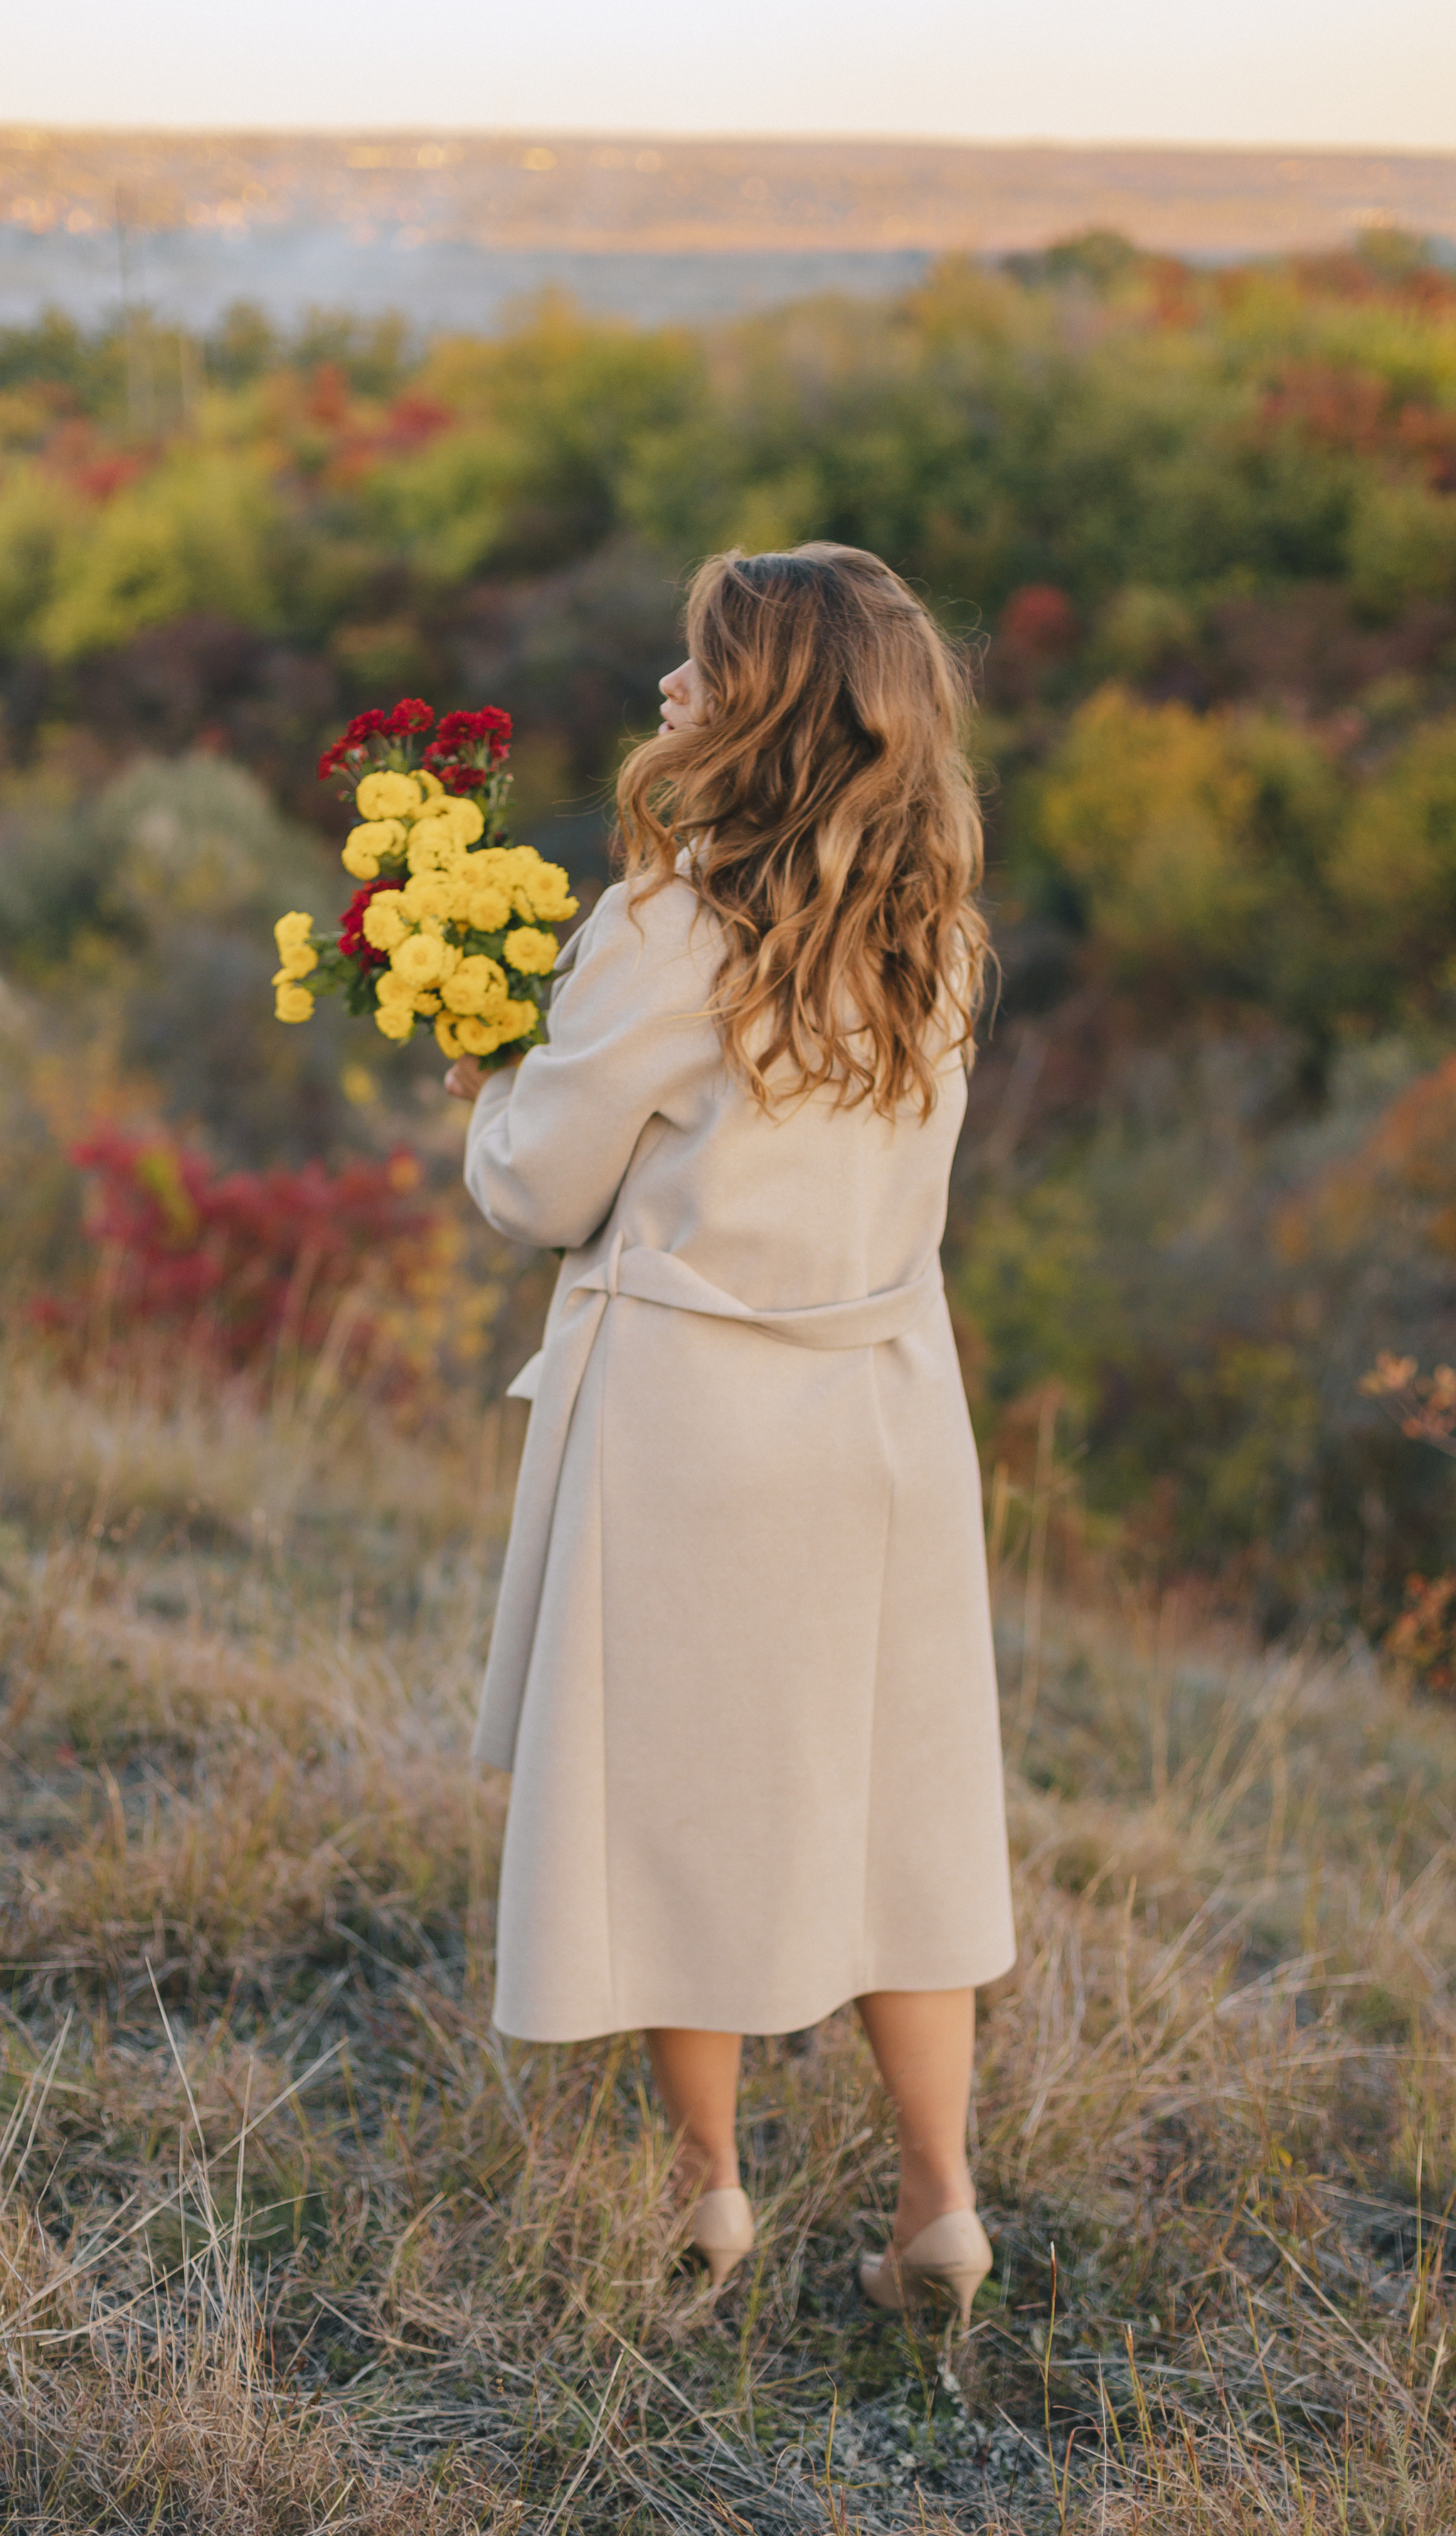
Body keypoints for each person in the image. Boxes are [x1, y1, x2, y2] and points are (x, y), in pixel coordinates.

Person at [445, 543, 1014, 2323]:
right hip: (885, 1415)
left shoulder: (669, 925)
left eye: (702, 669)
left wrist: (487, 1097)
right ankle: (938, 2204)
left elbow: (541, 1189)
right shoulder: (936, 932)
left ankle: (708, 2193)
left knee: (685, 1805)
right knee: (894, 1809)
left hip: (696, 1424)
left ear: (763, 711)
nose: (669, 690)